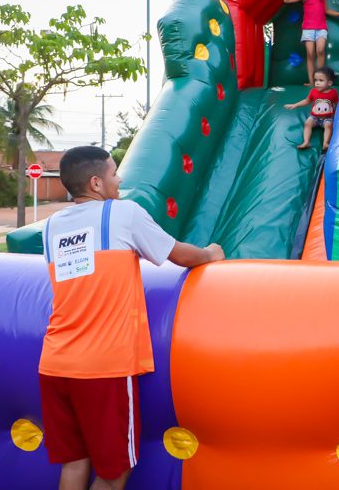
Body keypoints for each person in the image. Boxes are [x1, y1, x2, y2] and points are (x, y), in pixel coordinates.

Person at [38, 146, 225, 490]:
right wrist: (212, 254)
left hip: (54, 364)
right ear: (96, 183)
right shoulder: (122, 213)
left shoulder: (52, 227)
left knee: (74, 464)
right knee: (113, 474)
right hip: (101, 368)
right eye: (113, 173)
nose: (119, 179)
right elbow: (181, 256)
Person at [284, 66, 339, 151]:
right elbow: (306, 101)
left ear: (329, 83)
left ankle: (326, 143)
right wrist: (295, 105)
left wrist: (337, 115)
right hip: (315, 117)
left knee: (328, 126)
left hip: (327, 118)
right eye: (315, 80)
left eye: (321, 80)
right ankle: (306, 142)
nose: (317, 83)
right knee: (307, 124)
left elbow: (338, 104)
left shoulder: (333, 93)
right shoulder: (313, 91)